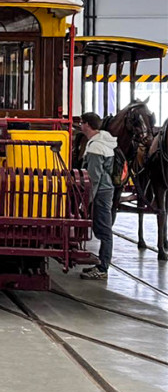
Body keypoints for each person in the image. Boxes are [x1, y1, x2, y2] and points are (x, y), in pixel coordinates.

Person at [80, 112, 117, 280]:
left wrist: (86, 201)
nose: (80, 125)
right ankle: (102, 264)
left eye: (81, 122)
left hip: (100, 192)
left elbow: (93, 177)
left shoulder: (96, 146)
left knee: (104, 229)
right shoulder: (104, 140)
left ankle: (102, 268)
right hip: (106, 189)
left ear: (87, 125)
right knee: (103, 228)